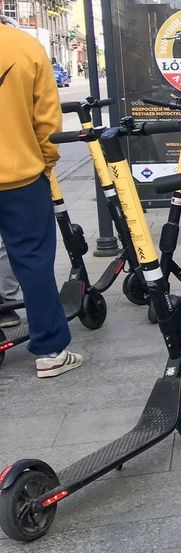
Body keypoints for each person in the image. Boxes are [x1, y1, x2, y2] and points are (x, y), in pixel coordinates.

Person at [0, 20, 85, 377]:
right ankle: (50, 350)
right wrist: (45, 164)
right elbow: (48, 122)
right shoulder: (24, 47)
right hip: (19, 176)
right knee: (33, 260)